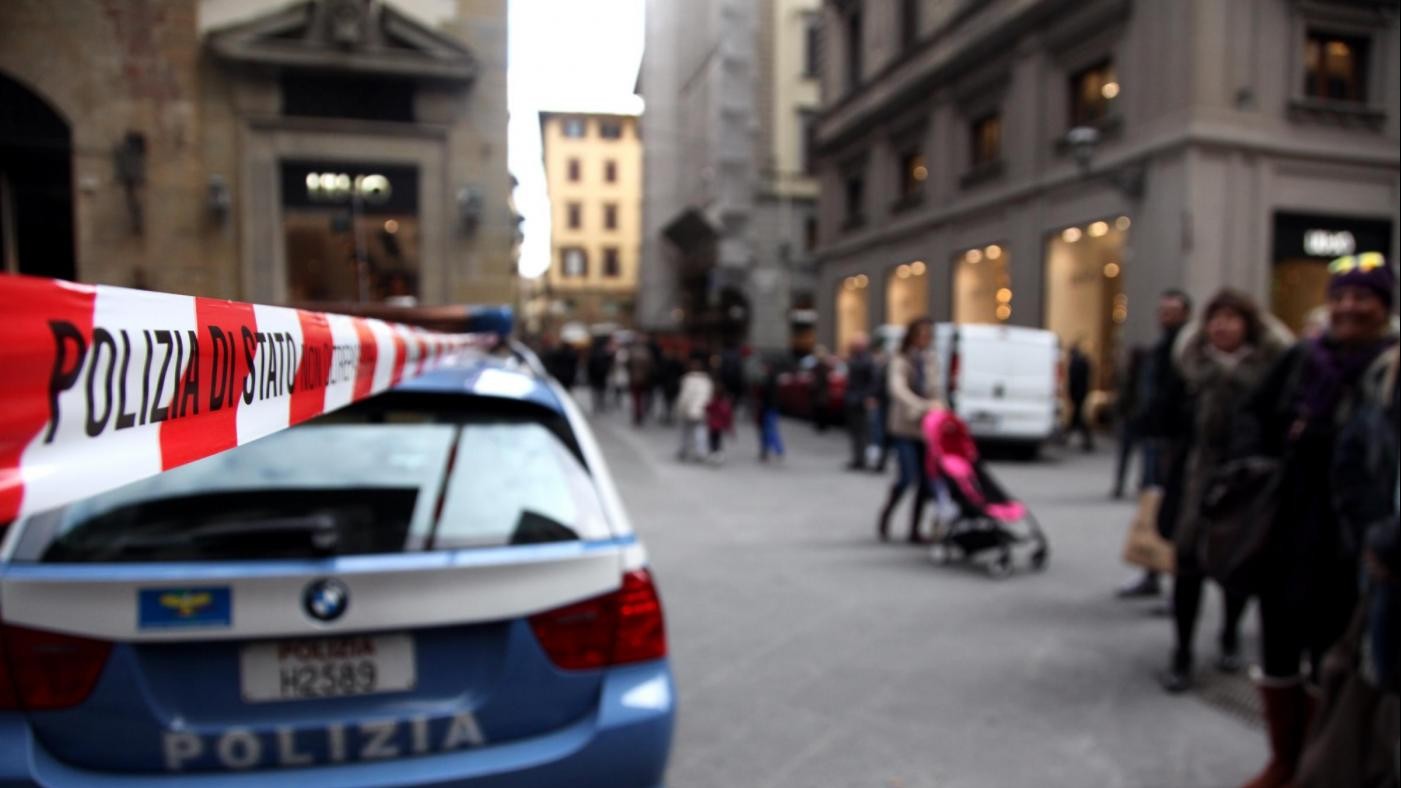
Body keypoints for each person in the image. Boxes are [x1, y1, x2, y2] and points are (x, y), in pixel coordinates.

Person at [1236, 253, 1397, 788]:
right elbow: (1251, 422)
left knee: (1333, 657)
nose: (1349, 306)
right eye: (1341, 296)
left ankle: (1317, 762)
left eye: (1363, 296)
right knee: (1278, 646)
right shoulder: (1302, 360)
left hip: (1351, 543)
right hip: (1287, 528)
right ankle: (1283, 759)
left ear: (1384, 307)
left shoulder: (1389, 369)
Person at [1157, 290, 1290, 693]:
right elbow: (1160, 418)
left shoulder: (1271, 372)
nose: (1222, 326)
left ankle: (1230, 634)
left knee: (1238, 561)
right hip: (1194, 477)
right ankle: (1181, 651)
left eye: (1232, 318)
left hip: (1248, 480)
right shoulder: (1188, 367)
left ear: (1248, 325)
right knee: (1188, 564)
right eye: (1216, 318)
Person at [1118, 289, 1193, 599]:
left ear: (1185, 314)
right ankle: (1151, 568)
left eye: (1172, 312)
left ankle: (1173, 575)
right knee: (1151, 508)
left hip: (1173, 442)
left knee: (1172, 511)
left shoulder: (1186, 350)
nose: (1165, 317)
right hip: (1154, 438)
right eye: (1162, 311)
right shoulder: (1160, 348)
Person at [875, 317, 944, 543]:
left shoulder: (931, 359)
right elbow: (897, 389)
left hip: (927, 428)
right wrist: (922, 405)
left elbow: (936, 390)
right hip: (905, 427)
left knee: (926, 481)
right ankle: (886, 515)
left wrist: (941, 409)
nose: (925, 338)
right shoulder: (901, 358)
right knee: (906, 478)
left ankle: (914, 529)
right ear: (912, 335)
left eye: (929, 334)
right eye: (921, 333)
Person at [1111, 345, 1150, 498]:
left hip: (1133, 419)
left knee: (1129, 455)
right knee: (1140, 455)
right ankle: (1139, 484)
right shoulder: (1137, 377)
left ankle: (1126, 484)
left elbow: (1122, 399)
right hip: (1134, 419)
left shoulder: (1133, 377)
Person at [843, 333, 878, 470]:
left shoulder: (867, 360)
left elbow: (873, 382)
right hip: (853, 399)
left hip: (860, 399)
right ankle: (857, 458)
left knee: (862, 431)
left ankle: (861, 459)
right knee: (855, 431)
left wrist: (868, 396)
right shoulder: (855, 358)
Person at [676, 354, 714, 462]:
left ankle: (684, 450)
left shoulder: (687, 379)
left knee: (685, 432)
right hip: (701, 410)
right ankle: (700, 452)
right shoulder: (707, 381)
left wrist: (681, 408)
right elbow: (708, 396)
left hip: (689, 409)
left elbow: (684, 396)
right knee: (700, 431)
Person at [1065, 341, 1095, 452]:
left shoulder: (1076, 363)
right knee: (1078, 417)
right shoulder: (1082, 362)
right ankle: (1086, 440)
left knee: (1078, 417)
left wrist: (1071, 394)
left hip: (1078, 394)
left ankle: (1085, 440)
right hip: (1081, 393)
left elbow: (1074, 381)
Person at [754, 360, 786, 462]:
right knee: (768, 430)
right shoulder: (770, 379)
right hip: (768, 408)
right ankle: (769, 450)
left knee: (769, 430)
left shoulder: (768, 380)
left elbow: (765, 396)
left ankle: (774, 450)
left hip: (768, 408)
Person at [705, 385, 735, 464]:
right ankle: (719, 454)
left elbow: (707, 408)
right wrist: (729, 427)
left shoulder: (713, 402)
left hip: (712, 425)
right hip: (720, 426)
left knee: (712, 440)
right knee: (718, 440)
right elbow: (728, 416)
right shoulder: (725, 404)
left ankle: (713, 454)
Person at [627, 338, 654, 427]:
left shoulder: (632, 352)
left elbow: (628, 365)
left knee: (636, 399)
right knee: (642, 398)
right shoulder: (646, 353)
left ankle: (638, 414)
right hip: (644, 379)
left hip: (634, 379)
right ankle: (641, 413)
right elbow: (650, 366)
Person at [658, 348, 684, 426]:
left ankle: (668, 415)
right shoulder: (679, 363)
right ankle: (670, 416)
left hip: (668, 385)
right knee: (672, 402)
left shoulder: (667, 363)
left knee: (667, 402)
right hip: (674, 384)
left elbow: (662, 373)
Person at [811, 347, 834, 432]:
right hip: (821, 391)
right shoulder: (820, 366)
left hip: (821, 391)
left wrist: (814, 385)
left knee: (821, 408)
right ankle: (821, 425)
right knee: (820, 408)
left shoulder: (821, 366)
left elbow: (821, 379)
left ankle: (822, 426)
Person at [586, 339, 612, 414]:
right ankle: (601, 405)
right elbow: (608, 365)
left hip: (594, 376)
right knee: (601, 392)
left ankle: (596, 406)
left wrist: (589, 376)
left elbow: (589, 366)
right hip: (602, 376)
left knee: (595, 392)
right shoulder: (604, 354)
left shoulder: (592, 354)